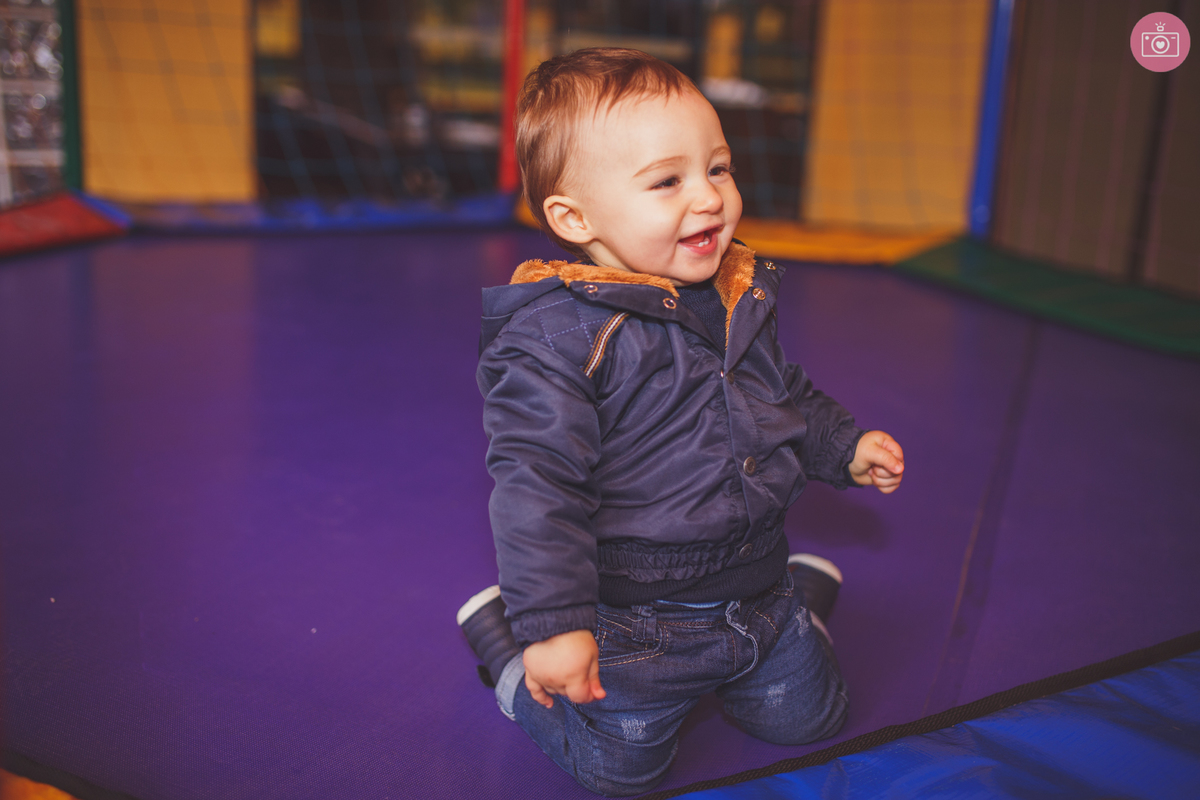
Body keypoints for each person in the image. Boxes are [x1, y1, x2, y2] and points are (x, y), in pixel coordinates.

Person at [458, 48, 905, 796]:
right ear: (574, 216)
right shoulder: (555, 342)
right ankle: (502, 641)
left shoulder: (735, 293)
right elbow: (539, 489)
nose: (709, 198)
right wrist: (553, 623)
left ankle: (802, 602)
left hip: (760, 592)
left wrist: (842, 446)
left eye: (718, 169)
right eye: (668, 181)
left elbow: (780, 391)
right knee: (616, 776)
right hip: (637, 627)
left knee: (816, 721)